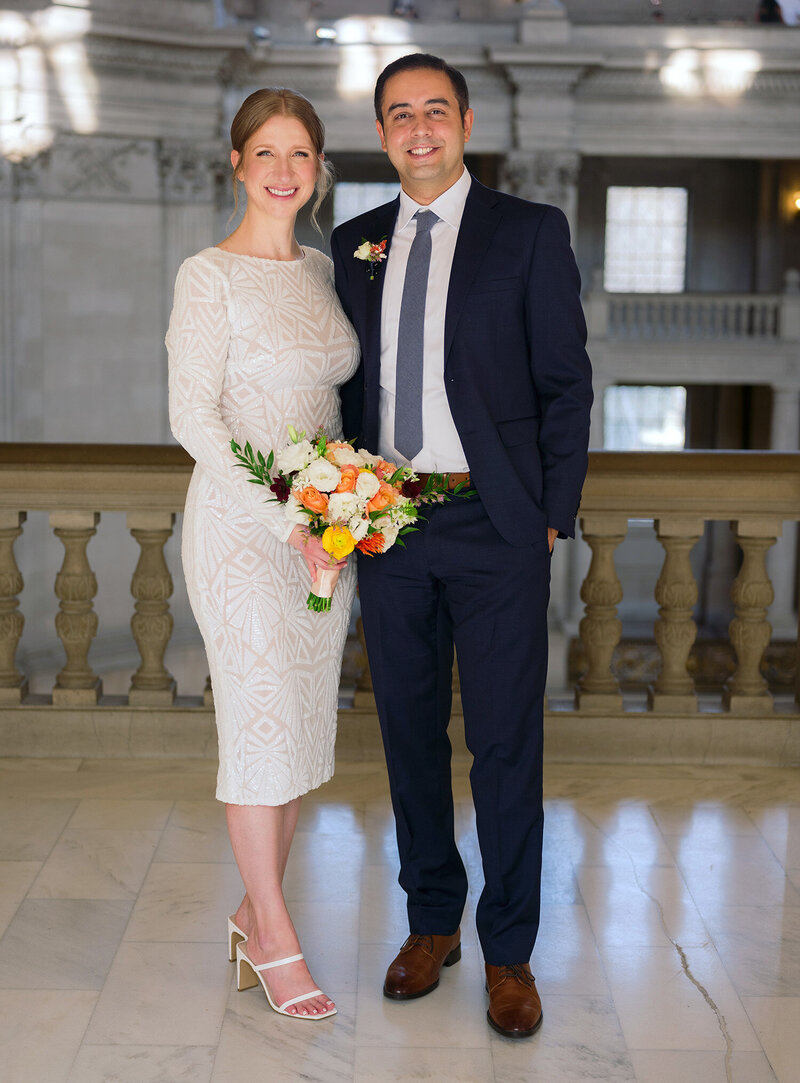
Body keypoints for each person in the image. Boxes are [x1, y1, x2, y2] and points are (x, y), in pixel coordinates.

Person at [331, 53, 592, 1039]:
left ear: (465, 122)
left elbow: (564, 384)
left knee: (501, 746)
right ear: (383, 132)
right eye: (399, 114)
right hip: (387, 525)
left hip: (495, 527)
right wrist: (338, 506)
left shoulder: (527, 233)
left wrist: (548, 512)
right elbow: (346, 391)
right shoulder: (353, 241)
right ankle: (430, 922)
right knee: (404, 735)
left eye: (434, 110)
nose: (419, 129)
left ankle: (509, 952)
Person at [166, 88, 359, 1020]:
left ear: (318, 170)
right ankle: (278, 934)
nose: (285, 171)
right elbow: (191, 417)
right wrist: (284, 520)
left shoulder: (324, 269)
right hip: (247, 530)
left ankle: (253, 910)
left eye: (301, 154)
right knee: (257, 723)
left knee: (296, 729)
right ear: (237, 164)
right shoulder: (208, 275)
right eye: (266, 153)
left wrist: (343, 512)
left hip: (327, 532)